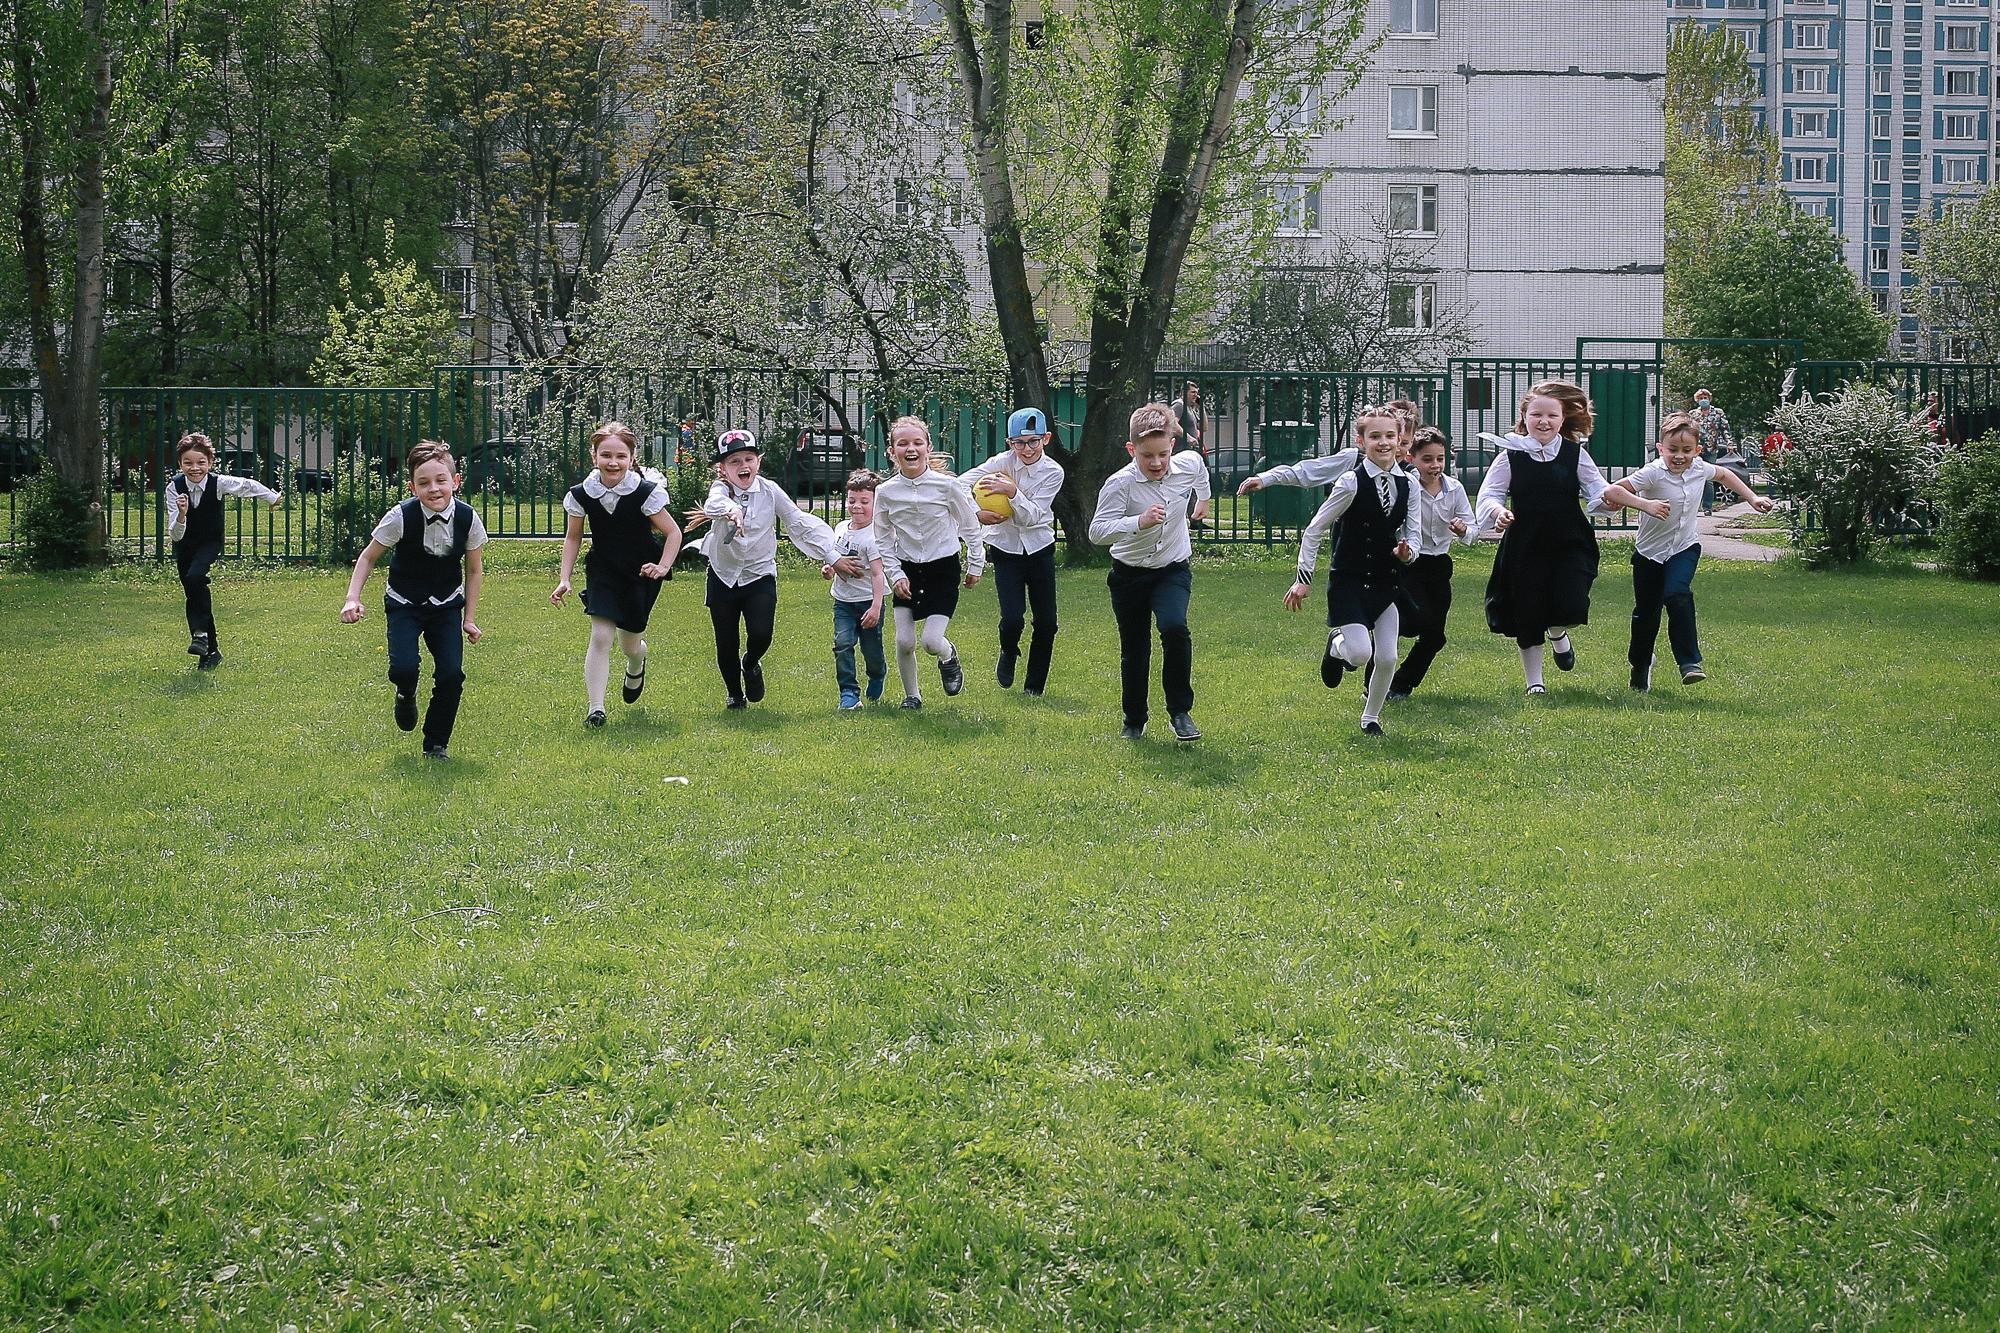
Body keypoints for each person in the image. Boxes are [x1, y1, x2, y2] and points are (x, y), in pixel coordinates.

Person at [1600, 412, 1775, 691]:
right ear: (1661, 448)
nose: (1679, 456)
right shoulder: (1653, 472)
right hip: (1649, 554)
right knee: (1647, 615)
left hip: (1685, 547)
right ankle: (1640, 667)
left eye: (1686, 450)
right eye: (1672, 450)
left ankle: (1689, 662)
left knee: (1677, 594)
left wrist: (1752, 497)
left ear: (1698, 450)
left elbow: (1726, 474)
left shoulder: (1699, 469)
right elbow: (1613, 491)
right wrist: (1646, 505)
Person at [339, 440, 484, 759]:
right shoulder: (400, 517)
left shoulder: (468, 518)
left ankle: (436, 743)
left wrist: (469, 618)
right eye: (424, 483)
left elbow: (473, 570)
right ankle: (406, 693)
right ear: (412, 487)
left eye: (441, 480)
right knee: (404, 667)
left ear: (455, 481)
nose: (434, 489)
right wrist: (353, 597)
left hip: (446, 605)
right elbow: (367, 557)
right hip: (404, 603)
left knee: (451, 674)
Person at [1281, 405, 1419, 735]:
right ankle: (1336, 645)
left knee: (1387, 657)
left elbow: (1413, 536)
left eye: (1390, 436)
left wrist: (1407, 552)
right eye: (1375, 437)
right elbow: (1313, 530)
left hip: (1386, 582)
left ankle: (1370, 718)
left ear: (1400, 440)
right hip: (1349, 581)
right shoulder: (1350, 483)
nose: (1383, 443)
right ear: (1361, 441)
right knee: (1359, 653)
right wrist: (1303, 580)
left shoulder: (1409, 486)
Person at [1475, 380, 1617, 695]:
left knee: (1571, 602)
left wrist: (1608, 501)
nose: (1544, 421)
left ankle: (1557, 632)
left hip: (1570, 542)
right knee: (1528, 611)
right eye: (1536, 414)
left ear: (1562, 419)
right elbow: (1489, 495)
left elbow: (1597, 490)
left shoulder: (1575, 454)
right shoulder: (1509, 456)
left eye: (1552, 416)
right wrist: (1498, 512)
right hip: (1525, 545)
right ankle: (1534, 683)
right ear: (1524, 417)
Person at [1089, 402, 1212, 742]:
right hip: (1129, 575)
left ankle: (1180, 712)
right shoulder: (1120, 485)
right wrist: (1137, 522)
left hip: (1172, 569)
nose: (1157, 463)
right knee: (1135, 647)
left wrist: (1204, 499)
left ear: (1173, 445)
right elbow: (1097, 532)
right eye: (1147, 456)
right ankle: (1134, 719)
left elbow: (1200, 469)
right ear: (1132, 450)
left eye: (1163, 454)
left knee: (1175, 628)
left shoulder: (1186, 463)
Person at [691, 428, 838, 709]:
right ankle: (734, 694)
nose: (743, 466)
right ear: (723, 468)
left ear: (758, 461)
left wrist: (831, 555)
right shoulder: (721, 490)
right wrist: (731, 511)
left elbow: (797, 521)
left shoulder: (770, 490)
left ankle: (751, 662)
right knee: (726, 640)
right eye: (734, 461)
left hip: (759, 573)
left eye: (749, 458)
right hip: (723, 575)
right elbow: (713, 504)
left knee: (761, 633)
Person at [551, 422, 683, 726]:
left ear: (632, 456)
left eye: (621, 456)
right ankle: (595, 709)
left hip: (641, 572)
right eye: (606, 455)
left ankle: (637, 661)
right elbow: (573, 537)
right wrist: (564, 578)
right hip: (604, 570)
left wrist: (662, 567)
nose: (613, 462)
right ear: (594, 455)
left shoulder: (646, 493)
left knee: (629, 643)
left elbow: (673, 533)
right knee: (600, 636)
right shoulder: (581, 494)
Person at [873, 415, 985, 709]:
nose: (911, 448)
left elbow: (970, 526)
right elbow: (883, 538)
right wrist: (894, 574)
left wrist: (976, 563)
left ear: (928, 447)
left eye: (917, 442)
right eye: (902, 443)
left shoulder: (947, 487)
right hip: (907, 571)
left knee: (931, 642)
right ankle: (913, 696)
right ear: (892, 451)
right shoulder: (884, 492)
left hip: (942, 569)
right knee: (904, 641)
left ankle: (949, 656)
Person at [962, 406, 1064, 695]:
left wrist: (1012, 492)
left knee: (1047, 621)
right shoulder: (1000, 462)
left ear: (1046, 438)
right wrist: (976, 513)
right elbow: (959, 485)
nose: (1027, 449)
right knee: (1012, 617)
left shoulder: (1053, 472)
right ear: (1009, 443)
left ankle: (1034, 687)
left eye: (1033, 441)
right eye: (1019, 443)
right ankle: (1008, 650)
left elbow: (1032, 517)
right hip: (1005, 549)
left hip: (1040, 548)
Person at [164, 431, 281, 669]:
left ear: (210, 462)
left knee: (196, 577)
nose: (194, 468)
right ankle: (209, 650)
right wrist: (183, 514)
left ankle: (200, 634)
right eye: (188, 463)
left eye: (200, 462)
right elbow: (175, 533)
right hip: (185, 544)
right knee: (193, 592)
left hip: (209, 542)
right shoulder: (174, 488)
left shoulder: (218, 483)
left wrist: (271, 498)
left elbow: (246, 485)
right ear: (180, 464)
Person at [1388, 426, 1478, 699]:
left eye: (1440, 458)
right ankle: (1374, 675)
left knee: (1435, 637)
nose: (1435, 465)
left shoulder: (1455, 489)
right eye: (1427, 459)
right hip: (1409, 564)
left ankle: (1401, 685)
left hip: (1439, 567)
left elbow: (1473, 530)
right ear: (1412, 458)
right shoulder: (1403, 486)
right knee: (1411, 622)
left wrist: (1463, 530)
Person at [823, 469, 888, 711]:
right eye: (852, 500)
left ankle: (878, 672)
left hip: (869, 602)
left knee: (871, 650)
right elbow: (834, 557)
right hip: (843, 601)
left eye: (864, 501)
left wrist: (876, 607)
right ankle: (849, 693)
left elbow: (879, 573)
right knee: (842, 643)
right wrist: (829, 569)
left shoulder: (874, 536)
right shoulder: (840, 528)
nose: (856, 506)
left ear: (876, 503)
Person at [1171, 381, 1208, 458]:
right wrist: (1189, 438)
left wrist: (1202, 407)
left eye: (1197, 393)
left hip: (1191, 452)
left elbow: (1204, 427)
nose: (1196, 395)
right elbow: (1172, 424)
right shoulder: (1179, 405)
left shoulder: (1190, 409)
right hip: (1181, 453)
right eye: (1193, 392)